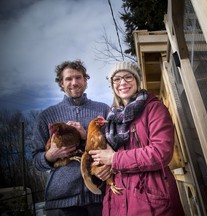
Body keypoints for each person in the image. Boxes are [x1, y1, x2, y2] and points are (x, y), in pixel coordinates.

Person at [89, 61, 185, 216]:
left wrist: (115, 159)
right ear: (112, 85)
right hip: (117, 200)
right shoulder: (111, 119)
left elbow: (161, 153)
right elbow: (105, 158)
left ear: (137, 80)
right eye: (117, 79)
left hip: (150, 196)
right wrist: (101, 171)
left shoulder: (154, 109)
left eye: (128, 77)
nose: (122, 82)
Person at [32, 59, 110, 216]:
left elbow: (114, 147)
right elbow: (35, 161)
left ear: (85, 80)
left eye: (78, 77)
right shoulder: (47, 116)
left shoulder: (103, 109)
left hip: (99, 196)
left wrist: (86, 135)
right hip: (62, 201)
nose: (74, 82)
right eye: (68, 78)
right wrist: (50, 156)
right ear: (61, 83)